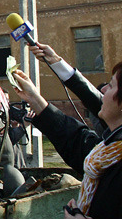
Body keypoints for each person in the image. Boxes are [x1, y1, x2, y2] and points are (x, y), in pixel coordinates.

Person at [12, 61, 122, 219]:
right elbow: (74, 138)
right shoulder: (109, 152)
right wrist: (33, 97)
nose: (103, 89)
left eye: (111, 86)